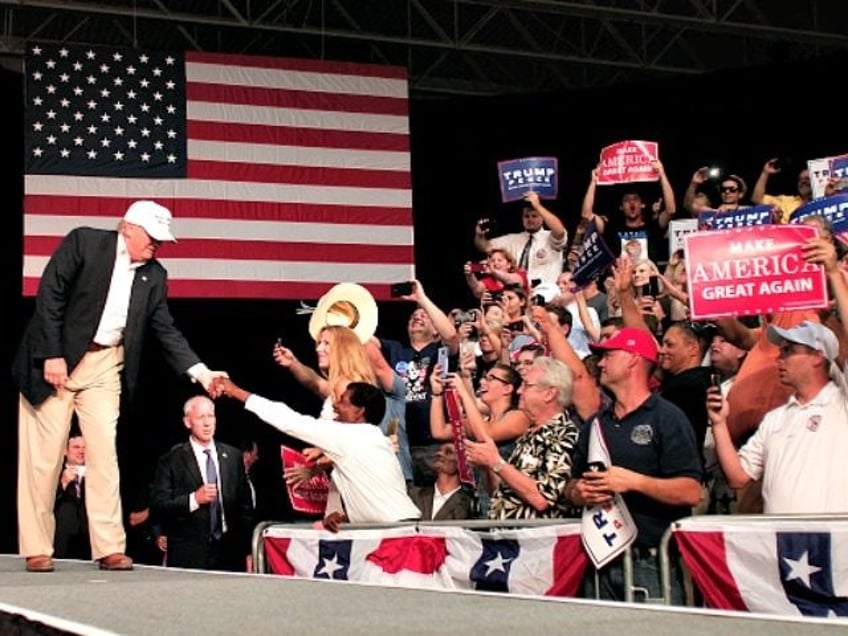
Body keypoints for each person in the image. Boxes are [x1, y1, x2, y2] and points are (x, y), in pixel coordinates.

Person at [13, 200, 227, 573]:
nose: (157, 245)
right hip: (56, 361)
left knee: (104, 456)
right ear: (127, 227)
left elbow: (164, 329)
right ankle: (36, 547)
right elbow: (50, 295)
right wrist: (50, 354)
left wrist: (203, 373)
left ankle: (109, 546)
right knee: (44, 459)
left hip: (105, 364)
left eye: (162, 240)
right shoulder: (85, 243)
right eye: (152, 236)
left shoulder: (154, 275)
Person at [566, 328, 702, 603]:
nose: (601, 363)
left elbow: (691, 491)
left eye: (608, 355)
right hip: (600, 559)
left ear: (632, 360)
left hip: (651, 561)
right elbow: (570, 484)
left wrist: (633, 482)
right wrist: (577, 492)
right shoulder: (596, 423)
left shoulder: (667, 418)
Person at [212, 378, 421, 531]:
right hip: (404, 528)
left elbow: (288, 420)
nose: (335, 405)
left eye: (343, 401)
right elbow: (373, 492)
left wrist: (235, 390)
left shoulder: (348, 435)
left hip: (397, 534)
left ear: (359, 411)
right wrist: (347, 516)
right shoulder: (374, 438)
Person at [151, 396, 254, 571]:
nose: (207, 423)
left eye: (211, 416)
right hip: (189, 554)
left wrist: (247, 550)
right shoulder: (172, 460)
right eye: (200, 418)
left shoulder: (233, 456)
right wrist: (194, 499)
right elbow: (159, 506)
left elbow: (245, 508)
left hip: (229, 554)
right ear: (187, 422)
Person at [474, 191, 567, 294]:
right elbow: (484, 247)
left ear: (542, 218)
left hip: (546, 293)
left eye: (534, 216)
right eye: (526, 216)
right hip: (518, 296)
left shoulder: (549, 237)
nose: (530, 219)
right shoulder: (513, 239)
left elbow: (560, 231)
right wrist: (479, 235)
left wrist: (538, 206)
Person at [407, 443, 474, 521]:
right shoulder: (415, 495)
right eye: (439, 451)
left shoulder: (467, 504)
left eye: (448, 452)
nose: (439, 454)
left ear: (462, 463)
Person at [53, 433, 90, 560]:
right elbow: (43, 504)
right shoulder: (53, 473)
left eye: (85, 448)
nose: (81, 451)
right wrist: (63, 483)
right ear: (65, 451)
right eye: (76, 447)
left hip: (89, 539)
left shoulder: (97, 474)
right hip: (62, 539)